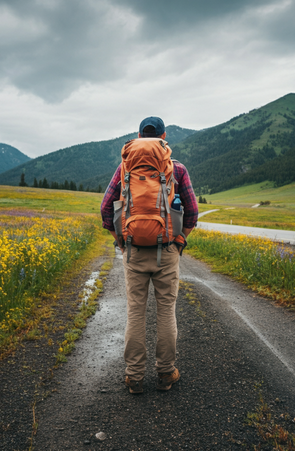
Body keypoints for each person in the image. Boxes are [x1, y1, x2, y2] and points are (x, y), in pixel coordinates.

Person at [100, 116, 199, 394]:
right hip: (166, 250)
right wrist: (179, 241)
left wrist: (121, 242)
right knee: (166, 312)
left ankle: (134, 377)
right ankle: (166, 374)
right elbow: (192, 212)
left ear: (139, 135)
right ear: (164, 137)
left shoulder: (124, 168)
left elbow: (106, 209)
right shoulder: (176, 169)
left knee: (135, 312)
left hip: (133, 252)